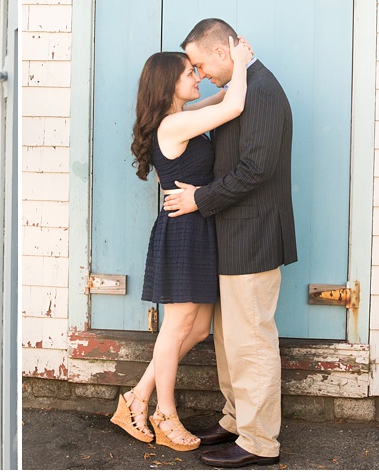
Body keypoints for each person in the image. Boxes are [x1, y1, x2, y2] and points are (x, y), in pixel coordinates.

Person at [164, 18, 297, 468]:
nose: (200, 74)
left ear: (223, 52)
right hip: (233, 234)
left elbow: (256, 170)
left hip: (253, 235)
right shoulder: (247, 82)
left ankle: (260, 442)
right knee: (229, 340)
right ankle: (236, 420)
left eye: (201, 63)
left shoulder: (260, 90)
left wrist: (199, 198)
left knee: (251, 341)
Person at [113, 37, 252, 451]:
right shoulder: (173, 126)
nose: (197, 77)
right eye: (190, 72)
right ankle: (164, 414)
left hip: (198, 226)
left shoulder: (181, 115)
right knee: (176, 329)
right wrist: (241, 62)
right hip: (183, 230)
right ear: (168, 83)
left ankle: (136, 396)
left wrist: (229, 79)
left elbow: (220, 99)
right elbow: (233, 107)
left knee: (199, 328)